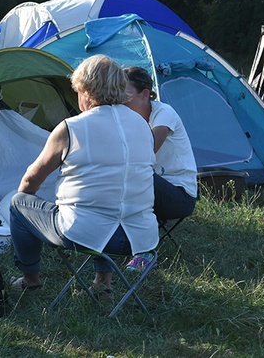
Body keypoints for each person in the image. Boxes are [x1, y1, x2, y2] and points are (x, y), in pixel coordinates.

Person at [9, 55, 158, 298]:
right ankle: (102, 284)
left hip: (84, 234)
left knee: (19, 204)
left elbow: (31, 180)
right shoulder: (143, 125)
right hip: (139, 238)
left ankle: (30, 279)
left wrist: (33, 209)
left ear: (86, 91)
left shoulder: (72, 128)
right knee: (111, 203)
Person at [123, 66, 198, 269]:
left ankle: (146, 253)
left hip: (180, 195)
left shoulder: (164, 113)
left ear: (145, 94)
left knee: (135, 173)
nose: (120, 100)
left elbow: (145, 154)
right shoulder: (128, 118)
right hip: (151, 187)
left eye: (126, 94)